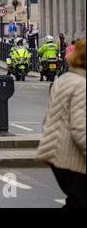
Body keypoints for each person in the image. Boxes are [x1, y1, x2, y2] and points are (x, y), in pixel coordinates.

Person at [36, 38, 86, 208]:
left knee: (75, 201)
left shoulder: (64, 80)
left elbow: (48, 119)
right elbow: (80, 128)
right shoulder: (82, 86)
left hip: (55, 154)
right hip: (71, 158)